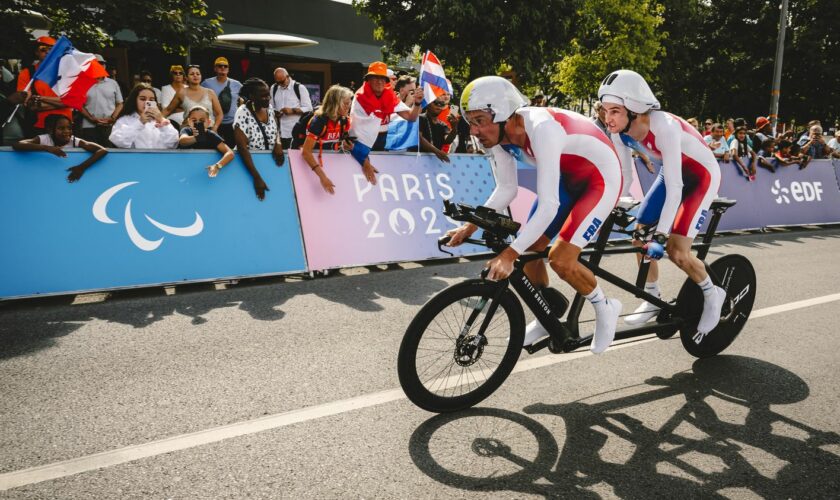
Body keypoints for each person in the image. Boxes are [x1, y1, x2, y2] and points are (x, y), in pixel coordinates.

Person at [446, 76, 623, 354]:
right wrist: (469, 227)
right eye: (471, 122)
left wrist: (508, 254)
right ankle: (547, 313)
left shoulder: (542, 128)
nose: (475, 130)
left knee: (561, 259)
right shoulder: (499, 137)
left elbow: (549, 205)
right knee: (529, 248)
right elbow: (506, 189)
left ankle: (605, 306)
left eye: (480, 120)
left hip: (600, 180)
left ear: (502, 113)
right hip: (568, 179)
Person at [598, 69, 724, 337]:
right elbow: (624, 175)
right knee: (637, 236)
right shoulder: (620, 132)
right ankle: (652, 297)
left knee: (677, 251)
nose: (607, 119)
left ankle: (713, 295)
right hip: (672, 174)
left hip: (700, 178)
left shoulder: (663, 126)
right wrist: (612, 204)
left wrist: (661, 235)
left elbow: (677, 188)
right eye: (605, 111)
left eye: (615, 111)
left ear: (634, 109)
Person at [348, 61, 423, 184]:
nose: (379, 81)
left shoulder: (390, 95)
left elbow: (411, 117)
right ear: (368, 80)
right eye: (375, 78)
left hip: (382, 139)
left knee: (378, 177)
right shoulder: (360, 97)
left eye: (382, 78)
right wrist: (364, 159)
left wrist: (417, 103)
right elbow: (355, 131)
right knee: (362, 176)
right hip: (362, 141)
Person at [13, 114, 108, 182]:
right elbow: (17, 144)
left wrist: (81, 168)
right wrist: (47, 148)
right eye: (61, 128)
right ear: (51, 130)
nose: (66, 131)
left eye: (69, 128)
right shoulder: (44, 138)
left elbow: (102, 150)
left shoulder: (74, 140)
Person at [233, 78, 284, 200]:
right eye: (263, 96)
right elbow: (242, 147)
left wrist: (278, 143)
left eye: (268, 95)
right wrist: (256, 177)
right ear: (252, 96)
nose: (268, 98)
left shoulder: (270, 108)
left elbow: (275, 128)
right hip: (250, 168)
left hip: (270, 165)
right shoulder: (242, 112)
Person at [300, 85, 354, 194]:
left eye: (349, 103)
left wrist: (345, 145)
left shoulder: (344, 120)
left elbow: (338, 142)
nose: (349, 106)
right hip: (309, 165)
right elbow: (306, 152)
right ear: (335, 103)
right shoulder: (319, 121)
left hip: (328, 164)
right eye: (346, 103)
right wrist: (322, 177)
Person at [17, 36, 73, 135]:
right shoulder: (27, 73)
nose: (47, 52)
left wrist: (40, 98)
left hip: (65, 126)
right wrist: (61, 103)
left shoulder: (67, 72)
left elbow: (72, 100)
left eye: (51, 49)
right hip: (38, 125)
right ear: (36, 52)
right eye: (43, 49)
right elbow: (31, 105)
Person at [109, 83, 178, 149]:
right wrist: (140, 123)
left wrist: (162, 121)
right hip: (135, 160)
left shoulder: (160, 120)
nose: (146, 103)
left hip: (158, 159)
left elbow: (173, 143)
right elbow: (118, 141)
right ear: (134, 100)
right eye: (142, 99)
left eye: (151, 100)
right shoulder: (125, 120)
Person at [178, 105, 235, 178]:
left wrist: (217, 166)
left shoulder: (211, 135)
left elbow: (230, 153)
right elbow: (182, 141)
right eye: (194, 120)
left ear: (208, 122)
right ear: (189, 121)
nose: (198, 123)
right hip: (184, 171)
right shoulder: (186, 130)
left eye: (202, 121)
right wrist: (196, 138)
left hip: (204, 173)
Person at [79, 55, 123, 147]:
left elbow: (120, 103)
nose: (99, 66)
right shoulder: (83, 83)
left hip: (109, 125)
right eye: (96, 64)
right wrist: (90, 118)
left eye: (102, 63)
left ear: (105, 66)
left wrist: (112, 118)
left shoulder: (113, 83)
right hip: (89, 126)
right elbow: (79, 104)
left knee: (110, 153)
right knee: (91, 153)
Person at [163, 65, 223, 133]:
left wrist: (215, 128)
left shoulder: (210, 92)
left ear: (201, 76)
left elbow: (219, 114)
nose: (195, 76)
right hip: (189, 130)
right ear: (186, 78)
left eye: (198, 74)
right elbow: (168, 110)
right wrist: (155, 119)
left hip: (209, 129)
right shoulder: (181, 92)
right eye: (192, 74)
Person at [201, 56, 242, 147]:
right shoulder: (206, 83)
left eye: (225, 66)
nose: (223, 68)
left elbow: (244, 99)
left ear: (228, 69)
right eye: (219, 66)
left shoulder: (237, 84)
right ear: (215, 68)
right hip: (214, 122)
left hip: (232, 123)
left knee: (232, 148)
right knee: (213, 149)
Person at [270, 67, 313, 149]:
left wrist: (292, 110)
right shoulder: (274, 88)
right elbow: (271, 107)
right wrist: (275, 112)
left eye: (282, 81)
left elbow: (309, 108)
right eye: (277, 82)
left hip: (294, 133)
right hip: (278, 133)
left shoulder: (299, 88)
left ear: (288, 76)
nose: (280, 84)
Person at [410, 96, 459, 162]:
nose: (438, 105)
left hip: (434, 163)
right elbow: (419, 138)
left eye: (442, 104)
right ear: (428, 104)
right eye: (435, 103)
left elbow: (448, 140)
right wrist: (437, 152)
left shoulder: (443, 125)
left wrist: (454, 127)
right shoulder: (419, 118)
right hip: (416, 160)